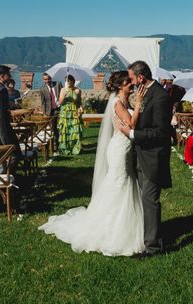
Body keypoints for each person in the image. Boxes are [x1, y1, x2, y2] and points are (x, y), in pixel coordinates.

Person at [39, 70, 145, 256]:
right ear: (121, 85)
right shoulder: (119, 103)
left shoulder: (122, 101)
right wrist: (138, 105)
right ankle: (112, 230)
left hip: (124, 148)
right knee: (119, 184)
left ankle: (122, 225)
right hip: (120, 149)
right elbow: (132, 125)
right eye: (129, 82)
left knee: (121, 183)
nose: (132, 84)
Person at [118, 60, 172, 258]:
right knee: (144, 199)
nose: (131, 83)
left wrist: (132, 134)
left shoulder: (160, 97)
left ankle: (154, 247)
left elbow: (160, 133)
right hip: (141, 154)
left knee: (150, 200)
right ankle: (147, 236)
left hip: (152, 156)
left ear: (141, 77)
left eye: (132, 79)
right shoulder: (146, 93)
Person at [57, 74, 84, 156]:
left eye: (69, 80)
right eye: (66, 80)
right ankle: (65, 148)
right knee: (65, 130)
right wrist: (64, 95)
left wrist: (81, 108)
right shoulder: (63, 90)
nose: (67, 82)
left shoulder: (78, 90)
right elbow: (60, 103)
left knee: (75, 131)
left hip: (74, 113)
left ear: (73, 81)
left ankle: (75, 148)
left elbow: (79, 103)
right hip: (65, 113)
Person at [39, 72, 62, 143]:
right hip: (50, 111)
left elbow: (63, 94)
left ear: (51, 78)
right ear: (43, 80)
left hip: (60, 108)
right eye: (45, 79)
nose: (47, 81)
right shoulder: (42, 89)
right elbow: (43, 102)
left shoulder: (58, 84)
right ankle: (56, 142)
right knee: (53, 127)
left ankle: (63, 140)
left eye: (48, 79)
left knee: (62, 125)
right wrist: (44, 113)